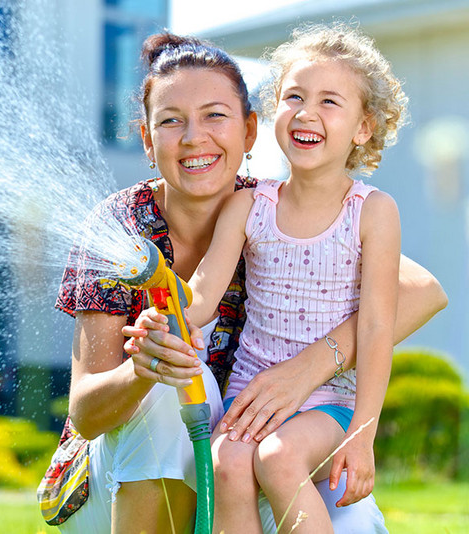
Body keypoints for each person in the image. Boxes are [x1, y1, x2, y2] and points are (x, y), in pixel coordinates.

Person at [40, 31, 447, 534]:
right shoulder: (122, 229)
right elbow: (85, 414)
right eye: (171, 121)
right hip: (120, 484)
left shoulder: (288, 208)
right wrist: (144, 365)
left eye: (215, 115)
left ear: (249, 130)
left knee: (350, 515)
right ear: (147, 138)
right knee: (175, 387)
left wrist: (309, 367)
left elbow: (424, 291)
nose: (194, 138)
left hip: (272, 436)